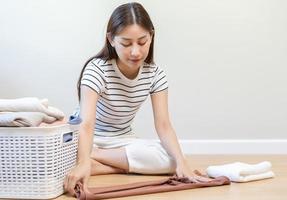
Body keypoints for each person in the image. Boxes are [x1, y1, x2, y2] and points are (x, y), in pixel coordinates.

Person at [64, 2, 209, 196]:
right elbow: (87, 123)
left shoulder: (156, 75)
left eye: (142, 42)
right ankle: (89, 159)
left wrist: (183, 165)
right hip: (90, 137)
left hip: (122, 140)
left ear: (151, 36)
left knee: (176, 158)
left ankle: (97, 162)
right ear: (111, 40)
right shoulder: (96, 69)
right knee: (167, 159)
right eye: (126, 43)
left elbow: (164, 125)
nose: (135, 52)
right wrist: (83, 161)